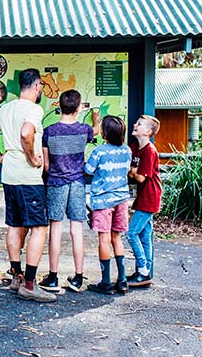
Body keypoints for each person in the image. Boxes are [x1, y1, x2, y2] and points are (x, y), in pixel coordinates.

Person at [0, 68, 55, 302]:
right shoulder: (34, 109)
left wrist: (0, 156)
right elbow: (26, 132)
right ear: (37, 86)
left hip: (9, 174)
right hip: (27, 177)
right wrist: (31, 157)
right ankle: (30, 284)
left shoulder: (6, 108)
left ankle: (16, 276)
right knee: (39, 227)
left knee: (15, 223)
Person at [39, 90, 99, 293]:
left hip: (56, 182)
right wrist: (95, 118)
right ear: (78, 108)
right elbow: (97, 130)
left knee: (55, 228)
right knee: (77, 229)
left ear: (59, 107)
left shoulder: (49, 132)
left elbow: (46, 166)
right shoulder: (84, 130)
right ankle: (78, 277)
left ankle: (53, 277)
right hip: (78, 183)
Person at [83, 116, 133, 295]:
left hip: (103, 201)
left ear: (104, 133)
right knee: (116, 238)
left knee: (104, 240)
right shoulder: (127, 151)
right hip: (121, 200)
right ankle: (122, 280)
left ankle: (105, 282)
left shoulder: (99, 151)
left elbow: (88, 170)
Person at [126, 115, 162, 288]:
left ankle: (143, 270)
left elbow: (139, 177)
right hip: (144, 197)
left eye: (139, 124)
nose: (135, 124)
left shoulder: (149, 150)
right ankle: (146, 273)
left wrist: (132, 171)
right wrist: (132, 170)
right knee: (145, 236)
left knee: (131, 233)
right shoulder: (135, 147)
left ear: (148, 132)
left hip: (149, 197)